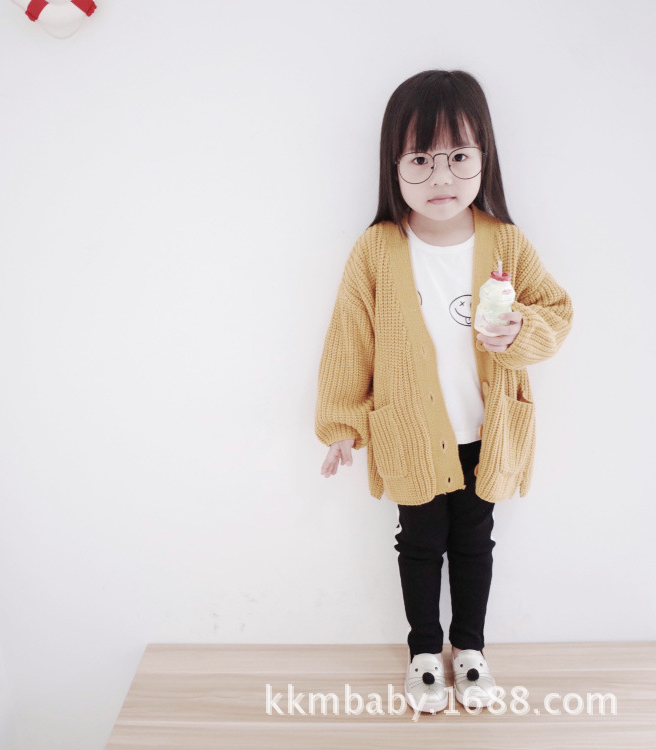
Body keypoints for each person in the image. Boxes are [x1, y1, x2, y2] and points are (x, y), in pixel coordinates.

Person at [313, 70, 574, 714]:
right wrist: (342, 423)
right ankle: (425, 654)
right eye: (420, 160)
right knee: (419, 544)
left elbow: (556, 311)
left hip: (486, 433)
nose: (441, 177)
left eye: (458, 157)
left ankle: (471, 649)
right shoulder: (377, 250)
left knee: (475, 544)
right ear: (393, 166)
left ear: (485, 156)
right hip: (408, 434)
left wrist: (521, 329)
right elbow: (350, 338)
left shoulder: (504, 240)